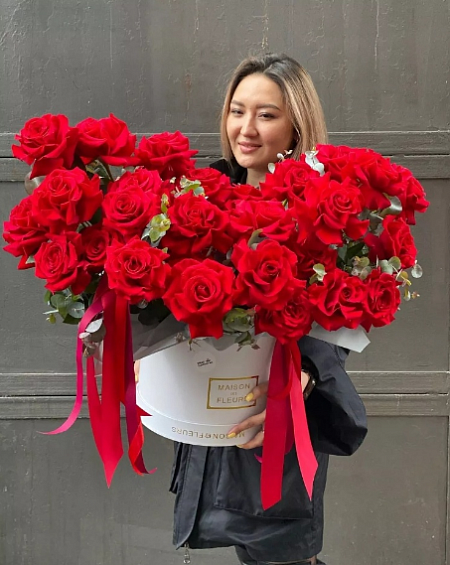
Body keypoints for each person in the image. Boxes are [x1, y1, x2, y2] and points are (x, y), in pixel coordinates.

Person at [138, 53, 367, 565]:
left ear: (295, 126)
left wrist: (305, 373)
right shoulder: (202, 197)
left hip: (277, 408)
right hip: (209, 410)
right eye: (237, 111)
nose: (245, 128)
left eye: (266, 115)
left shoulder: (322, 209)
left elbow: (337, 316)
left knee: (279, 547)